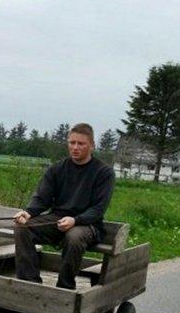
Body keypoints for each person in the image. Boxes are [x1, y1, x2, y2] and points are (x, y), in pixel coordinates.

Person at [13, 122, 115, 289]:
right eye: (72, 142)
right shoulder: (57, 169)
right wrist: (28, 213)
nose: (75, 147)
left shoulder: (104, 173)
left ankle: (64, 288)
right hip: (57, 219)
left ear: (92, 146)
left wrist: (75, 220)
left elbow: (98, 209)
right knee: (22, 228)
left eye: (81, 143)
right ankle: (29, 284)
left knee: (74, 237)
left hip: (88, 224)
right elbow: (42, 198)